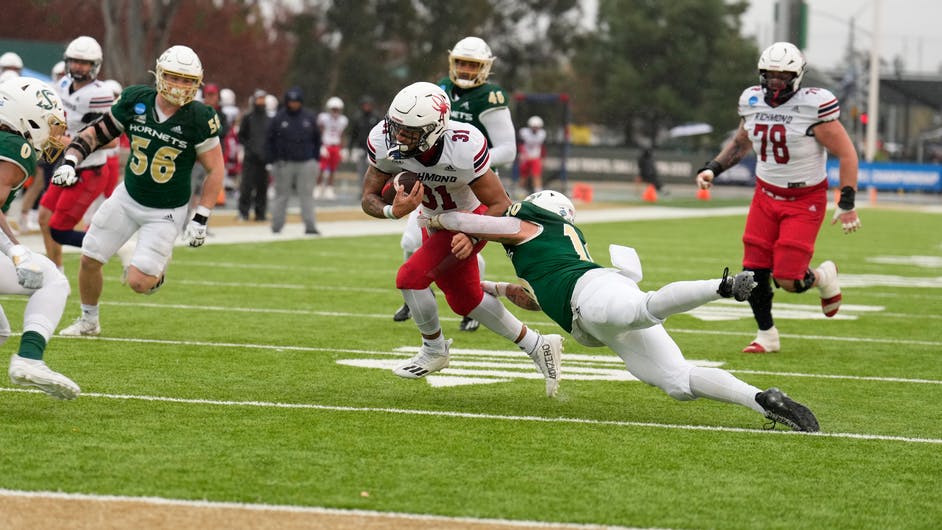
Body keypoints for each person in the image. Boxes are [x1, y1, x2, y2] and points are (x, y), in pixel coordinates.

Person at [419, 190, 820, 431]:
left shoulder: (531, 224)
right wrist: (482, 288)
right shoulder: (551, 245)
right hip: (590, 312)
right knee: (678, 382)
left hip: (591, 293)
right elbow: (534, 297)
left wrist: (433, 217)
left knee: (643, 309)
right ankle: (764, 400)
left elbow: (476, 221)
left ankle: (723, 286)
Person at [361, 81, 561, 396]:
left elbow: (501, 205)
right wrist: (391, 210)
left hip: (470, 218)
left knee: (410, 278)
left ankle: (434, 350)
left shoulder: (464, 144)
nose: (398, 137)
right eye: (396, 127)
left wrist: (471, 233)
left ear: (434, 129)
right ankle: (538, 345)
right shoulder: (383, 140)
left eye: (409, 132)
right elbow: (368, 197)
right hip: (433, 220)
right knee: (465, 300)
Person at [694, 41, 861, 354]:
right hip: (765, 195)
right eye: (769, 75)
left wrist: (847, 202)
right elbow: (741, 143)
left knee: (788, 278)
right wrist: (713, 168)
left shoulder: (814, 105)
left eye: (783, 76)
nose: (775, 81)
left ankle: (824, 276)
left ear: (797, 76)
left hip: (804, 198)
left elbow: (847, 153)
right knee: (753, 271)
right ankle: (766, 334)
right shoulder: (752, 101)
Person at [54, 45, 225, 337]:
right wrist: (71, 160)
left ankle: (156, 270)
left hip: (167, 210)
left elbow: (216, 169)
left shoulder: (199, 117)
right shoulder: (136, 100)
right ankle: (88, 321)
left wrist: (201, 216)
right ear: (159, 75)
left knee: (139, 283)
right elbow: (97, 132)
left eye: (187, 80)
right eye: (174, 77)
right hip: (128, 196)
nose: (180, 85)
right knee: (90, 257)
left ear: (196, 83)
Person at [392, 36, 516, 331]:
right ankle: (418, 292)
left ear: (484, 68)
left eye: (472, 64)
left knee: (466, 250)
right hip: (433, 179)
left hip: (471, 183)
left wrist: (466, 162)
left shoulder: (491, 97)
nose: (465, 69)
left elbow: (508, 149)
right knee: (410, 241)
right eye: (461, 62)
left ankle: (474, 300)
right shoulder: (439, 90)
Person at [0, 76, 80, 399]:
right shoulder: (14, 147)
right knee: (53, 280)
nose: (53, 134)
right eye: (49, 124)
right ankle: (30, 358)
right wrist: (14, 250)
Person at [38, 36, 116, 270]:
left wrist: (71, 142)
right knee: (43, 217)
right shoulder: (62, 85)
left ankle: (117, 247)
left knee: (58, 229)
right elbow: (58, 122)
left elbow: (111, 142)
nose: (78, 67)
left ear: (95, 65)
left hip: (89, 169)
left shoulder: (100, 93)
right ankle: (56, 272)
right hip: (66, 165)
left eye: (84, 62)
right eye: (74, 61)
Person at [267, 86, 321, 235]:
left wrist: (314, 159)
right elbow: (270, 139)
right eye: (291, 101)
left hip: (306, 162)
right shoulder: (279, 118)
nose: (293, 104)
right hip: (284, 163)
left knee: (307, 195)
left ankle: (310, 226)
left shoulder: (309, 117)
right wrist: (274, 159)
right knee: (281, 195)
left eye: (296, 101)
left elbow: (317, 139)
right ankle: (276, 226)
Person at [190, 82, 229, 209]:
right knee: (190, 192)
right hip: (196, 159)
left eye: (213, 95)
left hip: (213, 160)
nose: (211, 98)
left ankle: (202, 226)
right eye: (208, 95)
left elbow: (222, 134)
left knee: (207, 195)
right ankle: (183, 225)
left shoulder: (222, 115)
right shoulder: (196, 112)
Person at [237, 89, 270, 222]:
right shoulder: (248, 117)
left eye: (263, 99)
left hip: (264, 159)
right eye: (259, 99)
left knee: (262, 187)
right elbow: (241, 136)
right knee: (247, 187)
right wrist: (250, 148)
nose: (261, 101)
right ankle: (243, 213)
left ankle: (260, 213)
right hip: (250, 159)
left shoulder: (269, 119)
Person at [314, 96, 348, 200]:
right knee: (321, 168)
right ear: (329, 109)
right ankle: (318, 187)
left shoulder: (343, 120)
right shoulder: (323, 118)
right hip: (325, 145)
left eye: (337, 109)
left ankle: (329, 188)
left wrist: (343, 148)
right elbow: (318, 132)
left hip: (336, 146)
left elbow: (342, 134)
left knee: (333, 169)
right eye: (333, 109)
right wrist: (320, 145)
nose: (335, 111)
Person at [347, 95, 381, 184]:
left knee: (373, 171)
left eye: (368, 105)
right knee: (361, 171)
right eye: (365, 105)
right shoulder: (358, 118)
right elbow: (353, 134)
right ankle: (362, 190)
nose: (367, 107)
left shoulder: (376, 118)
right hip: (361, 148)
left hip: (373, 149)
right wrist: (350, 148)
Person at [518, 115, 546, 195]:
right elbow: (520, 144)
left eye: (537, 127)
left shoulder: (542, 134)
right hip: (525, 157)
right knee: (523, 175)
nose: (535, 128)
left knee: (536, 174)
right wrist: (522, 155)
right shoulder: (523, 132)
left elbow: (542, 146)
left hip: (535, 157)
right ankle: (520, 191)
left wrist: (542, 158)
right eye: (533, 127)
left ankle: (538, 192)